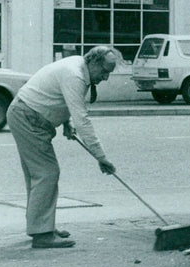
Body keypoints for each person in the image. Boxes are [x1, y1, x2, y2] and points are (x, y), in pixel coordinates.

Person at [7, 46, 119, 249]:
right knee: (46, 173)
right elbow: (82, 119)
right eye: (104, 71)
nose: (105, 77)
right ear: (93, 63)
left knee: (37, 175)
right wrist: (100, 157)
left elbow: (61, 97)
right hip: (28, 117)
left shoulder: (79, 65)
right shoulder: (75, 75)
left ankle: (41, 226)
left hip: (24, 114)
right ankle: (42, 233)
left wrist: (65, 122)